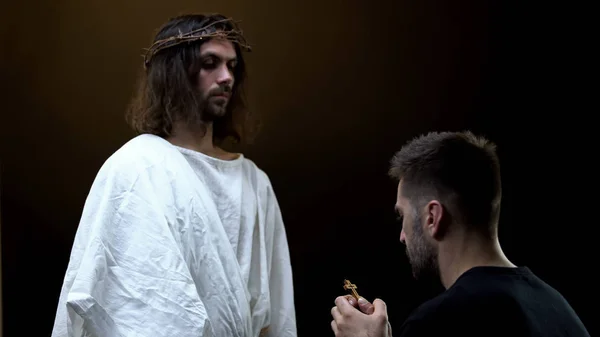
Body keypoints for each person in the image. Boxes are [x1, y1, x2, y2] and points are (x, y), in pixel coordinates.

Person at [51, 13, 297, 337]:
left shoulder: (254, 182)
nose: (226, 77)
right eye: (211, 63)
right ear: (175, 74)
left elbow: (275, 315)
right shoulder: (137, 167)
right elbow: (125, 303)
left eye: (232, 66)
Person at [330, 131, 589, 337]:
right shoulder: (557, 308)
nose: (402, 236)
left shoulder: (439, 321)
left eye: (403, 216)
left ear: (432, 217)